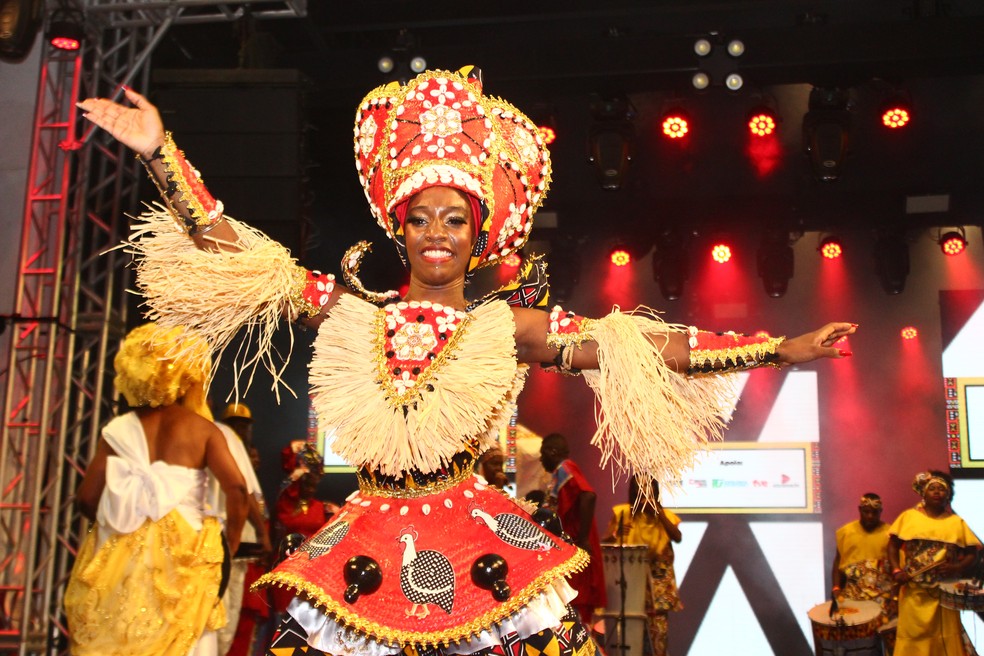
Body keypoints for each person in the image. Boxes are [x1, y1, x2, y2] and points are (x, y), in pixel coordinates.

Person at [77, 66, 856, 656]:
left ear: (478, 234)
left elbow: (641, 347)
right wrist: (161, 155)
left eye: (455, 219)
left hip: (477, 539)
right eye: (421, 218)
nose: (437, 232)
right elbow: (232, 249)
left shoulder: (506, 326)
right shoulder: (352, 313)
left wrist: (779, 349)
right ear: (400, 229)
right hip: (364, 541)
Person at [64, 323, 248, 656]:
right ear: (184, 374)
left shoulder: (118, 430)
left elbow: (86, 498)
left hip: (120, 556)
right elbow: (237, 488)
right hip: (187, 558)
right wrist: (230, 545)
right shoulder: (202, 430)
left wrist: (115, 523)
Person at [888, 470, 982, 656]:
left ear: (947, 496)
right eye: (933, 489)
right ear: (924, 493)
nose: (938, 492)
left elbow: (973, 553)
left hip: (945, 592)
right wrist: (897, 570)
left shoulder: (955, 522)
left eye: (942, 489)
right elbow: (892, 546)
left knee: (946, 637)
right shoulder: (909, 517)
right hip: (914, 591)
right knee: (913, 636)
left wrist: (957, 567)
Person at [212, 402, 273, 656]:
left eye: (246, 426)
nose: (242, 430)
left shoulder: (231, 446)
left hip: (238, 547)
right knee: (223, 609)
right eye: (237, 425)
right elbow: (241, 491)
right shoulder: (224, 443)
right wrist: (262, 532)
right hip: (226, 539)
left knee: (231, 612)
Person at [602, 478, 682, 656]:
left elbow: (677, 537)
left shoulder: (665, 516)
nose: (644, 496)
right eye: (640, 491)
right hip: (630, 588)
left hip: (658, 588)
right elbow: (605, 543)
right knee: (630, 639)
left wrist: (658, 511)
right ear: (633, 492)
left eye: (649, 492)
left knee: (658, 639)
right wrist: (617, 534)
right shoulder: (622, 514)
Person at [541, 432, 608, 626]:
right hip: (569, 553)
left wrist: (583, 539)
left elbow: (588, 495)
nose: (540, 459)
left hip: (576, 553)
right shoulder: (559, 473)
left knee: (577, 613)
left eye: (542, 453)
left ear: (551, 451)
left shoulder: (565, 468)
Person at [830, 492, 894, 622]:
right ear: (860, 510)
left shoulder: (891, 534)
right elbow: (838, 562)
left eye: (875, 513)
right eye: (866, 512)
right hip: (853, 597)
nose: (870, 516)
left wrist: (895, 598)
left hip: (882, 598)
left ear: (881, 511)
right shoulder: (845, 532)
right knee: (857, 638)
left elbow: (897, 568)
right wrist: (836, 587)